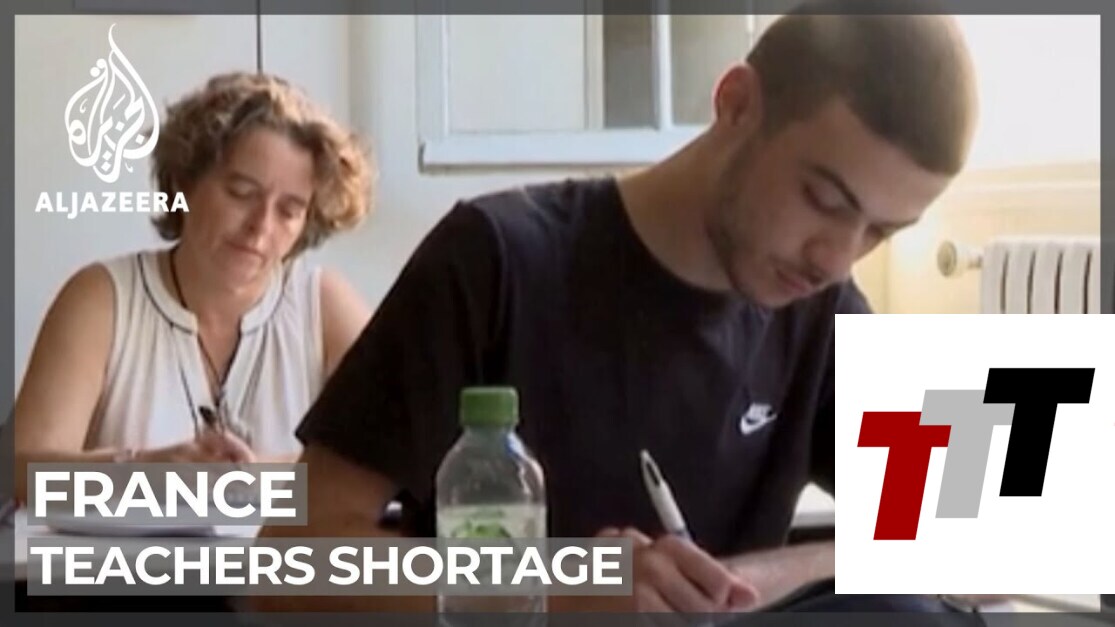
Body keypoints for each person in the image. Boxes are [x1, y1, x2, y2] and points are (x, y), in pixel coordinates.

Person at [256, 1, 980, 614]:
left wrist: (753, 580)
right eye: (823, 199)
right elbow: (287, 565)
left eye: (882, 231)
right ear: (735, 104)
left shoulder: (821, 307)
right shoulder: (493, 259)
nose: (837, 257)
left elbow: (986, 532)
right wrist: (561, 586)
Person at [13, 72, 375, 502]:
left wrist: (252, 478)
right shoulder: (101, 299)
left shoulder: (325, 306)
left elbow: (393, 468)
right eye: (241, 193)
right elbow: (20, 477)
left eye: (289, 211)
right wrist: (141, 471)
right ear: (184, 182)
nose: (261, 227)